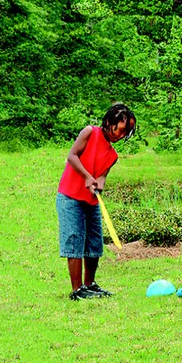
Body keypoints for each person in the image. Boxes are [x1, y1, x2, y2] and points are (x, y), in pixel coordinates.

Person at [56, 103, 136, 300]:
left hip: (91, 201)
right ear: (110, 122)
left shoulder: (112, 155)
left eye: (127, 133)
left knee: (94, 242)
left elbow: (102, 177)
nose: (122, 136)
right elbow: (72, 157)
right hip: (70, 197)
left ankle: (89, 284)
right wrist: (86, 176)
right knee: (74, 239)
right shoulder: (90, 133)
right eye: (122, 130)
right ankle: (77, 291)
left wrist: (98, 183)